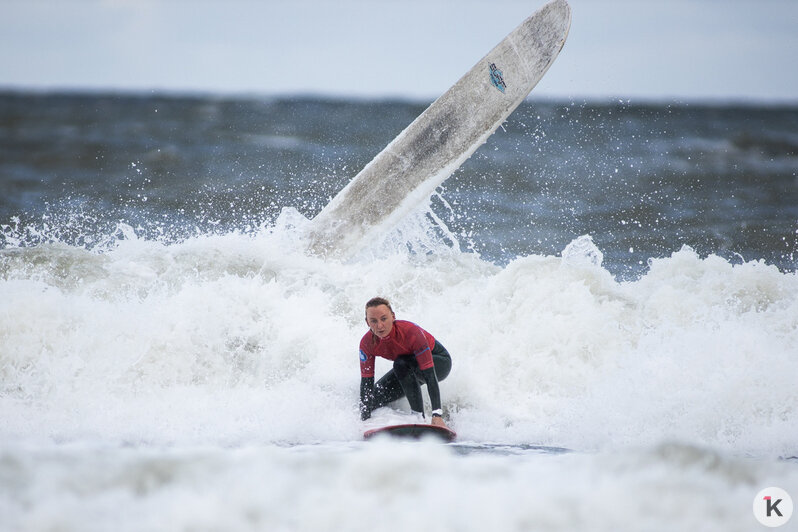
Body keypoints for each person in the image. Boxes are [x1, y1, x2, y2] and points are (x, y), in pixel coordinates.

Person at [358, 297, 452, 428]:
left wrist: (437, 415)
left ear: (393, 317)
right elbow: (366, 383)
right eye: (373, 321)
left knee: (400, 363)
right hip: (406, 368)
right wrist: (364, 420)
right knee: (373, 398)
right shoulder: (367, 343)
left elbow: (430, 375)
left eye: (384, 319)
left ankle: (419, 418)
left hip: (439, 362)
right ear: (367, 322)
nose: (379, 326)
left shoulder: (411, 332)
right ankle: (389, 422)